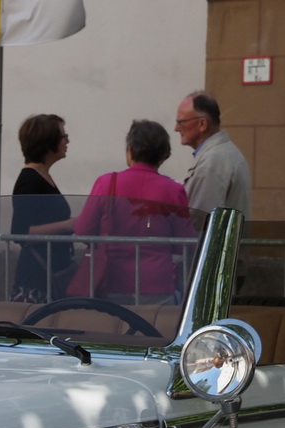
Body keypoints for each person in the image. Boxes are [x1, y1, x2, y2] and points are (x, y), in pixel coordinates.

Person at [72, 119, 194, 305]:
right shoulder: (174, 190)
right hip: (158, 283)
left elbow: (83, 230)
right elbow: (184, 243)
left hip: (112, 280)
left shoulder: (107, 183)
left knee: (115, 332)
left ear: (130, 150)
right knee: (156, 332)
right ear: (163, 156)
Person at [11, 113, 75, 302]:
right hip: (36, 280)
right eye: (63, 136)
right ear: (48, 142)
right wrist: (67, 225)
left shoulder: (42, 177)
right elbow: (21, 232)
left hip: (49, 273)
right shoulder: (30, 181)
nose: (67, 141)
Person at [176, 91, 251, 217]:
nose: (176, 128)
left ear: (202, 124)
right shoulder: (224, 153)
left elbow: (199, 222)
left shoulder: (212, 161)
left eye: (181, 122)